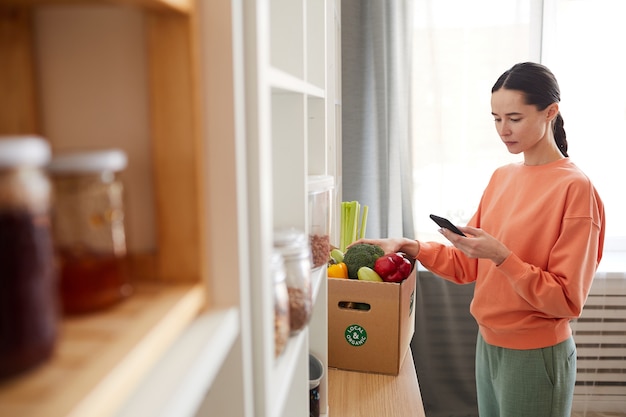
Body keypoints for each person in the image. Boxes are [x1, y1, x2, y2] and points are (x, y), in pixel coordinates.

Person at [354, 62, 605, 417]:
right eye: (496, 118)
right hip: (488, 344)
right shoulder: (502, 177)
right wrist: (411, 247)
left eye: (515, 118)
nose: (504, 130)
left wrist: (503, 257)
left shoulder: (575, 189)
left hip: (536, 355)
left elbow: (566, 300)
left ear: (551, 112)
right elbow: (467, 264)